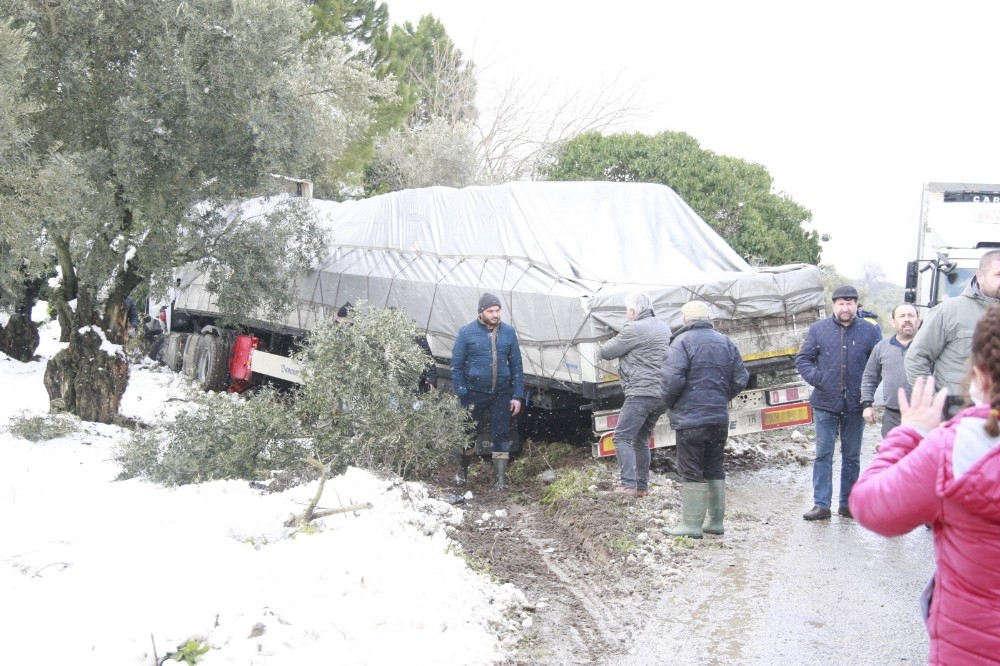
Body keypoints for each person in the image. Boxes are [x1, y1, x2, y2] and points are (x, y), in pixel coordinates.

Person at [849, 304, 1000, 664]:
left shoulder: (957, 447)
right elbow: (869, 377)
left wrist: (911, 433)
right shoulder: (882, 347)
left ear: (979, 374)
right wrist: (868, 401)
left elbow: (871, 507)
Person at [660, 300, 749, 538]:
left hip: (691, 419)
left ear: (685, 319)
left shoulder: (681, 342)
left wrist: (670, 402)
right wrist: (721, 396)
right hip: (717, 418)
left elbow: (671, 381)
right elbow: (741, 377)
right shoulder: (725, 341)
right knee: (714, 467)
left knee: (691, 469)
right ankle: (715, 522)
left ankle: (691, 525)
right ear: (708, 318)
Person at [795, 285, 882, 520]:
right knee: (823, 454)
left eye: (850, 303)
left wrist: (868, 396)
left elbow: (877, 365)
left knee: (852, 456)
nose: (846, 308)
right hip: (825, 402)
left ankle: (848, 504)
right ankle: (821, 505)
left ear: (856, 305)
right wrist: (818, 379)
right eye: (841, 303)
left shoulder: (869, 332)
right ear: (833, 305)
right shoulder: (819, 329)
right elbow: (803, 359)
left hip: (856, 404)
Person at [906, 249, 1000, 413]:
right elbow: (916, 357)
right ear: (980, 277)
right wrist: (934, 401)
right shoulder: (947, 311)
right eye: (998, 275)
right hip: (958, 418)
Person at [599, 291, 671, 497]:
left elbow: (607, 352)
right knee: (640, 439)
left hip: (641, 393)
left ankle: (628, 485)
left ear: (632, 311)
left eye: (626, 310)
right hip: (661, 394)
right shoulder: (663, 326)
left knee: (621, 437)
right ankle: (642, 487)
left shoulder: (634, 329)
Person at [451, 292, 525, 490]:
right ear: (481, 312)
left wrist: (517, 395)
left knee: (501, 435)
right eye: (490, 311)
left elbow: (517, 366)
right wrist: (462, 391)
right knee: (468, 433)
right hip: (473, 393)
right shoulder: (466, 333)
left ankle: (500, 480)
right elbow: (456, 366)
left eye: (497, 311)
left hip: (501, 393)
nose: (495, 315)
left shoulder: (508, 333)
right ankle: (463, 471)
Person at [861, 303, 919, 438]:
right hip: (893, 417)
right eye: (902, 316)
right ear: (893, 322)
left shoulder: (930, 345)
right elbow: (870, 377)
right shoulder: (881, 347)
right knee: (893, 457)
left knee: (924, 458)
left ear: (918, 320)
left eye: (911, 315)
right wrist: (867, 405)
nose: (907, 319)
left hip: (924, 416)